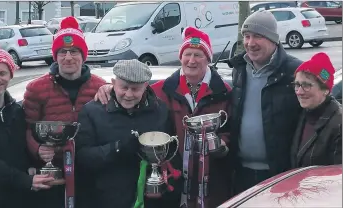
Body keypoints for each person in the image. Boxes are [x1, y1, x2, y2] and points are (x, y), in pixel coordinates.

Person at [95, 27, 232, 208]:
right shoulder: (160, 90)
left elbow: (231, 129)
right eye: (187, 54)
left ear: (208, 58)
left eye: (198, 55)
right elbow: (130, 92)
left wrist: (221, 145)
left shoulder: (225, 92)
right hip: (171, 178)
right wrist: (107, 88)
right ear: (180, 57)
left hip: (211, 179)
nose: (191, 60)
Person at [22, 16, 106, 208]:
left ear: (83, 55)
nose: (68, 57)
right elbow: (26, 128)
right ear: (55, 55)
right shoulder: (36, 88)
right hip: (52, 175)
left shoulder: (101, 87)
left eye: (74, 51)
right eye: (63, 52)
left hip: (90, 172)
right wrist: (37, 149)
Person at [76, 59, 182, 208]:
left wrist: (166, 185)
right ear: (113, 82)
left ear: (145, 86)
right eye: (124, 87)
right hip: (108, 199)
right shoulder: (92, 111)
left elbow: (171, 155)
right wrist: (116, 148)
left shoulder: (160, 110)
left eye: (135, 89)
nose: (129, 94)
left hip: (152, 200)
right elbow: (82, 157)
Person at [227, 10, 303, 194]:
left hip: (280, 174)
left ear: (273, 39)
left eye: (258, 36)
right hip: (242, 173)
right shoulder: (239, 69)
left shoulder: (295, 71)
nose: (250, 43)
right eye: (247, 36)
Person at [0, 49, 55, 208]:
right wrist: (25, 180)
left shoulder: (17, 110)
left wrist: (35, 162)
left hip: (19, 195)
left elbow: (22, 147)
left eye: (2, 73)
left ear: (11, 75)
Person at [290, 52, 342, 167]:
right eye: (297, 84)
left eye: (306, 85)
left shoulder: (339, 124)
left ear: (325, 90)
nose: (299, 91)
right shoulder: (304, 113)